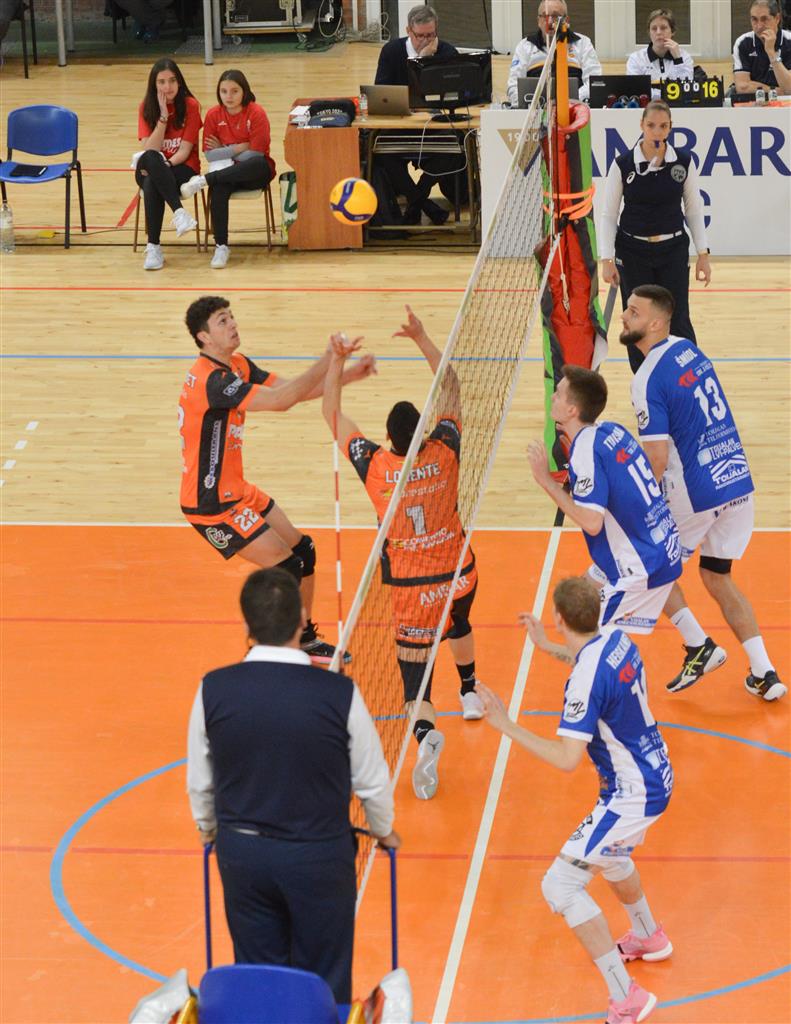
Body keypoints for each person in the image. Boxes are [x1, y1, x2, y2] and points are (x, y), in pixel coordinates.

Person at [187, 567, 399, 1005]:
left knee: (258, 981)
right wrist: (383, 830)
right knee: (323, 982)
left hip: (243, 857)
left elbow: (200, 783)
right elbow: (372, 781)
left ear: (247, 624)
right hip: (318, 856)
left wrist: (209, 830)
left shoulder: (212, 689)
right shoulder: (340, 693)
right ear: (303, 619)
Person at [477, 575, 672, 1024]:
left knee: (560, 885)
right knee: (612, 857)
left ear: (560, 617)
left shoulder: (585, 681)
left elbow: (567, 759)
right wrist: (546, 646)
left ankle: (627, 997)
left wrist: (506, 725)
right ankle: (649, 936)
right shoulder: (617, 638)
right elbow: (589, 660)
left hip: (632, 793)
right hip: (654, 770)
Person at [321, 307, 484, 801]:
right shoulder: (445, 449)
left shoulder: (374, 465)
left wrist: (336, 362)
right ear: (424, 432)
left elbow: (332, 414)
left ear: (390, 439)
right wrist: (421, 337)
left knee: (416, 687)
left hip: (411, 591)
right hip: (458, 572)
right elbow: (451, 387)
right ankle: (470, 691)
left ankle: (426, 734)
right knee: (458, 621)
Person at [179, 296, 376, 663]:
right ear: (204, 337)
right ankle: (268, 649)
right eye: (222, 321)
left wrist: (343, 371)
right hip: (211, 505)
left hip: (237, 491)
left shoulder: (237, 365)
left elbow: (291, 390)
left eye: (232, 317)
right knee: (287, 566)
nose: (233, 324)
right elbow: (282, 400)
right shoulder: (213, 381)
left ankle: (304, 639)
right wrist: (329, 357)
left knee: (304, 551)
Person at [623, 284, 787, 701]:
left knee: (649, 564)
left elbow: (656, 457)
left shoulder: (646, 379)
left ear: (656, 323)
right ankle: (764, 672)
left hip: (696, 491)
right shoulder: (688, 349)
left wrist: (637, 502)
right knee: (716, 576)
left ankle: (699, 645)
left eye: (634, 312)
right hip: (736, 480)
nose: (624, 316)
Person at [527, 364, 686, 642]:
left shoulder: (586, 450)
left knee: (582, 636)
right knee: (583, 589)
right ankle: (700, 644)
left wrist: (545, 480)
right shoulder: (612, 430)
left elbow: (592, 523)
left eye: (559, 393)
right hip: (665, 545)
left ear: (572, 410)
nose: (553, 396)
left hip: (641, 564)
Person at [599, 98, 711, 374]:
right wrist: (606, 259)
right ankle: (644, 381)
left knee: (678, 317)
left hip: (672, 250)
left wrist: (703, 254)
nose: (657, 132)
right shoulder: (623, 164)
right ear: (642, 126)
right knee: (637, 319)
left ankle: (686, 378)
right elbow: (608, 215)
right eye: (651, 126)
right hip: (632, 253)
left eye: (663, 126)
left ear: (670, 127)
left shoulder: (683, 162)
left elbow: (694, 210)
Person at [374, 4, 465, 225]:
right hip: (401, 127)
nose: (425, 40)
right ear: (408, 31)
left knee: (456, 146)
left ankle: (416, 202)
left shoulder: (447, 53)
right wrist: (418, 63)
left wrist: (426, 61)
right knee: (381, 152)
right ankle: (425, 204)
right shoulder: (391, 51)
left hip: (436, 128)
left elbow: (456, 96)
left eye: (430, 35)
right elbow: (382, 93)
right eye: (420, 36)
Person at [179, 69, 276, 270]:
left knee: (256, 164)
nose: (229, 96)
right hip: (228, 172)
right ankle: (221, 246)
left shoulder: (256, 113)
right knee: (219, 187)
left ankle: (205, 179)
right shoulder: (214, 114)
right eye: (224, 91)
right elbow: (209, 155)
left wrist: (224, 150)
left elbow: (256, 154)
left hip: (255, 173)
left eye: (234, 91)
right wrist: (239, 148)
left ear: (244, 91)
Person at [135, 59, 201, 271]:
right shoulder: (146, 107)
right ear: (154, 85)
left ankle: (153, 247)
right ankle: (179, 212)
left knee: (152, 181)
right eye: (162, 82)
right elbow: (149, 149)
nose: (168, 87)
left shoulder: (191, 105)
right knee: (150, 159)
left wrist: (164, 165)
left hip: (182, 166)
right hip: (152, 163)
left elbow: (185, 150)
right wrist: (163, 117)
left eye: (172, 80)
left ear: (179, 82)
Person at [507, 0, 602, 106]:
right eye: (544, 16)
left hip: (574, 109)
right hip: (535, 110)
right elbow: (513, 86)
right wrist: (527, 106)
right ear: (538, 21)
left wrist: (569, 101)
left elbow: (593, 82)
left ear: (566, 20)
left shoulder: (583, 43)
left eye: (556, 16)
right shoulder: (525, 46)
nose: (550, 21)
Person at [626, 8, 694, 96]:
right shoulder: (636, 59)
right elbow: (636, 90)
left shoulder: (684, 57)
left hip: (676, 104)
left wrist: (678, 60)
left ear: (672, 31)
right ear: (649, 32)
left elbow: (686, 89)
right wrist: (669, 93)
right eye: (654, 28)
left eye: (663, 28)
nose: (658, 32)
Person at [733, 0, 791, 96]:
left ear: (777, 18)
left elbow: (789, 89)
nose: (759, 26)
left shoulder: (789, 41)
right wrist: (774, 91)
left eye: (764, 19)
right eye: (754, 19)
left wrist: (771, 52)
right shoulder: (743, 42)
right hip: (755, 101)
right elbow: (742, 87)